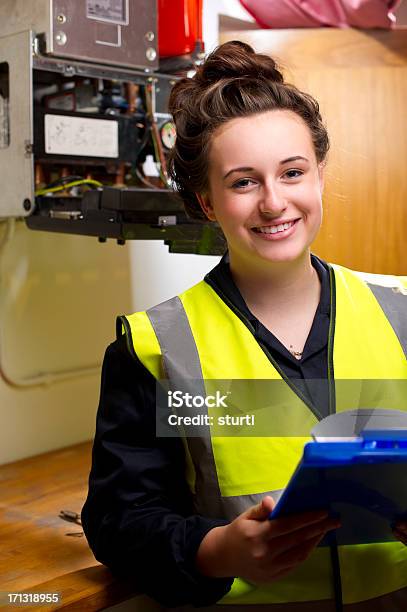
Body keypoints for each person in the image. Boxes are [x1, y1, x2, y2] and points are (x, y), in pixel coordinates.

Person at [81, 41, 407, 611]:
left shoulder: (402, 310)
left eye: (292, 172)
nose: (275, 202)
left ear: (320, 174)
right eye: (243, 182)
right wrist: (215, 550)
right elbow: (118, 520)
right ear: (207, 201)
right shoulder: (157, 347)